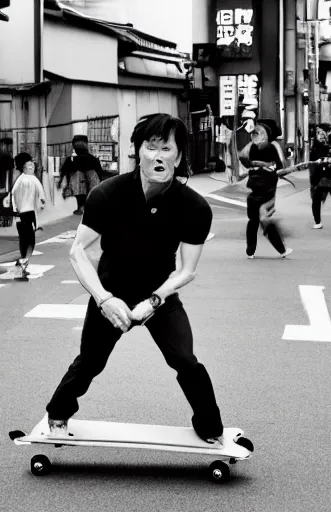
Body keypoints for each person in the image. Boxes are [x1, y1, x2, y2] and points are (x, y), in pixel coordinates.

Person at [44, 113, 225, 445]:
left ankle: (211, 427)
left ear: (179, 156)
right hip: (111, 290)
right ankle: (57, 412)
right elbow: (77, 252)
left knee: (185, 360)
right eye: (150, 146)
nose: (158, 155)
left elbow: (187, 270)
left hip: (160, 295)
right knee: (91, 361)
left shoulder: (194, 207)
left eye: (166, 148)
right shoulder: (108, 194)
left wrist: (154, 301)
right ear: (137, 151)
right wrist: (103, 298)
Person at [237, 119, 295, 259]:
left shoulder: (250, 147)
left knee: (253, 221)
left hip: (253, 188)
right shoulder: (272, 146)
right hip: (267, 189)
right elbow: (283, 167)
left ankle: (250, 251)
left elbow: (242, 158)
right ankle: (281, 250)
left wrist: (253, 166)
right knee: (265, 218)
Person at [10, 153, 46, 280]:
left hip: (19, 214)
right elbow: (42, 200)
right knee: (30, 242)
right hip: (29, 213)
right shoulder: (31, 180)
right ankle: (21, 266)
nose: (32, 165)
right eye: (30, 163)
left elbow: (13, 196)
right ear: (25, 166)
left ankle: (23, 267)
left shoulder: (19, 180)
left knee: (23, 240)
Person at [58, 135, 103, 215]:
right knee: (89, 193)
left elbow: (64, 170)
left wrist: (61, 180)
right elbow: (99, 171)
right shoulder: (92, 158)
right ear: (86, 144)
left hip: (78, 183)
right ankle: (86, 207)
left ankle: (81, 207)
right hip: (91, 182)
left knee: (80, 193)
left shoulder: (72, 159)